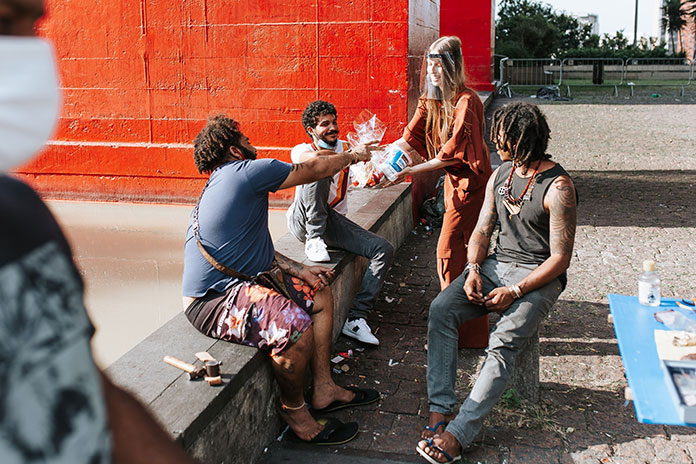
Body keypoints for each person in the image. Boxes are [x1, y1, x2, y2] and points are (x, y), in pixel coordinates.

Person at [0, 2, 197, 463]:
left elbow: (90, 391)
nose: (29, 50)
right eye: (6, 24)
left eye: (28, 25)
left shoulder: (22, 218)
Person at [181, 115, 380, 445]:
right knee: (295, 328)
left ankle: (324, 389)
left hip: (238, 283)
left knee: (319, 294)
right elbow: (315, 170)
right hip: (212, 301)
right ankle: (295, 411)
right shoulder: (249, 171)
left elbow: (248, 248)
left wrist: (299, 269)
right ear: (234, 149)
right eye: (244, 138)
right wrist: (354, 156)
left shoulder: (225, 179)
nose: (251, 142)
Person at [416, 102, 577, 463]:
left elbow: (559, 259)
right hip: (493, 266)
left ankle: (458, 435)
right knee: (442, 310)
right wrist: (473, 268)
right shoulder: (501, 174)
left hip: (538, 278)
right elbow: (482, 229)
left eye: (502, 138)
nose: (495, 142)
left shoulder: (559, 187)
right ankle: (440, 410)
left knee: (502, 343)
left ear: (522, 141)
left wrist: (516, 291)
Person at [390, 36, 492, 359]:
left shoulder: (467, 102)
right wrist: (377, 161)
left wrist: (405, 174)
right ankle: (462, 331)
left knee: (451, 253)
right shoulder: (430, 102)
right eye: (429, 65)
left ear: (451, 67)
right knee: (458, 258)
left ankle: (456, 332)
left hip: (471, 190)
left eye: (439, 65)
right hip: (453, 189)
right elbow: (407, 140)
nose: (432, 71)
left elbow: (449, 157)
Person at [286, 100, 394, 345]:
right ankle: (314, 239)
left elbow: (371, 163)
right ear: (311, 130)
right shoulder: (300, 149)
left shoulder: (347, 148)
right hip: (303, 221)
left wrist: (380, 168)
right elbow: (315, 159)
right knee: (320, 166)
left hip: (333, 222)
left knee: (382, 249)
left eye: (334, 122)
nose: (333, 128)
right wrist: (353, 156)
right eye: (325, 124)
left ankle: (356, 319)